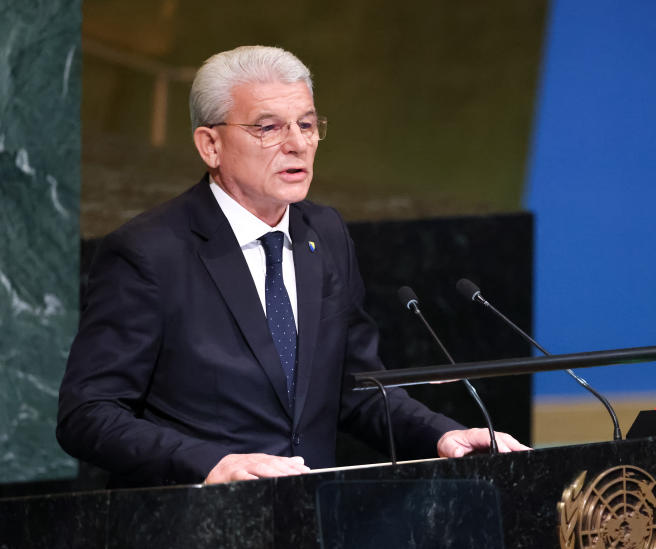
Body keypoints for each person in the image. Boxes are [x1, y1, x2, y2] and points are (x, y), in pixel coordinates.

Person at [57, 45, 527, 487]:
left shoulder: (324, 232)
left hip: (315, 529)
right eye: (268, 128)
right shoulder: (148, 252)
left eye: (306, 124)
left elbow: (354, 389)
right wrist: (212, 464)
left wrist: (441, 435)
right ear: (210, 146)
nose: (297, 143)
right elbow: (88, 413)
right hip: (195, 535)